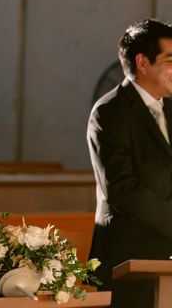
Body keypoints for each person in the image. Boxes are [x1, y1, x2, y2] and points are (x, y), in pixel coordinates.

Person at [88, 18, 172, 308]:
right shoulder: (110, 113)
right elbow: (123, 190)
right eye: (171, 59)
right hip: (129, 259)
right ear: (143, 63)